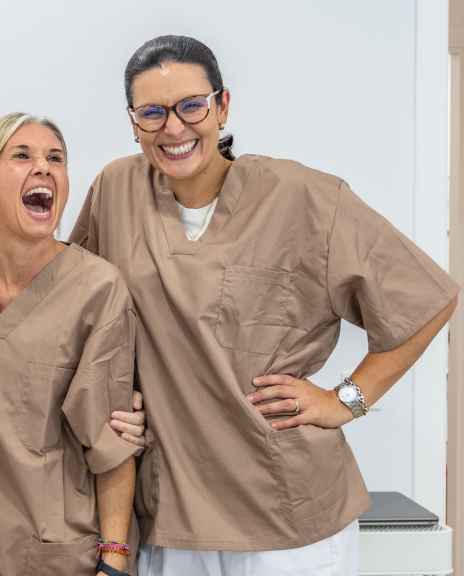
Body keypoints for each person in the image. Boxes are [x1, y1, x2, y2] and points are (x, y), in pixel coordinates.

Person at [77, 35, 459, 575]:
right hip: (171, 510)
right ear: (133, 121)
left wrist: (346, 398)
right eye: (152, 113)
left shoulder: (304, 197)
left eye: (191, 106)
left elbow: (425, 298)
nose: (174, 128)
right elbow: (80, 311)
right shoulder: (115, 191)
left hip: (288, 513)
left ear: (222, 105)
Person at [0, 113, 140, 576]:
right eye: (21, 155)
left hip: (63, 542)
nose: (43, 167)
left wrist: (114, 559)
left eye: (56, 158)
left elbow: (113, 442)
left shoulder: (96, 288)